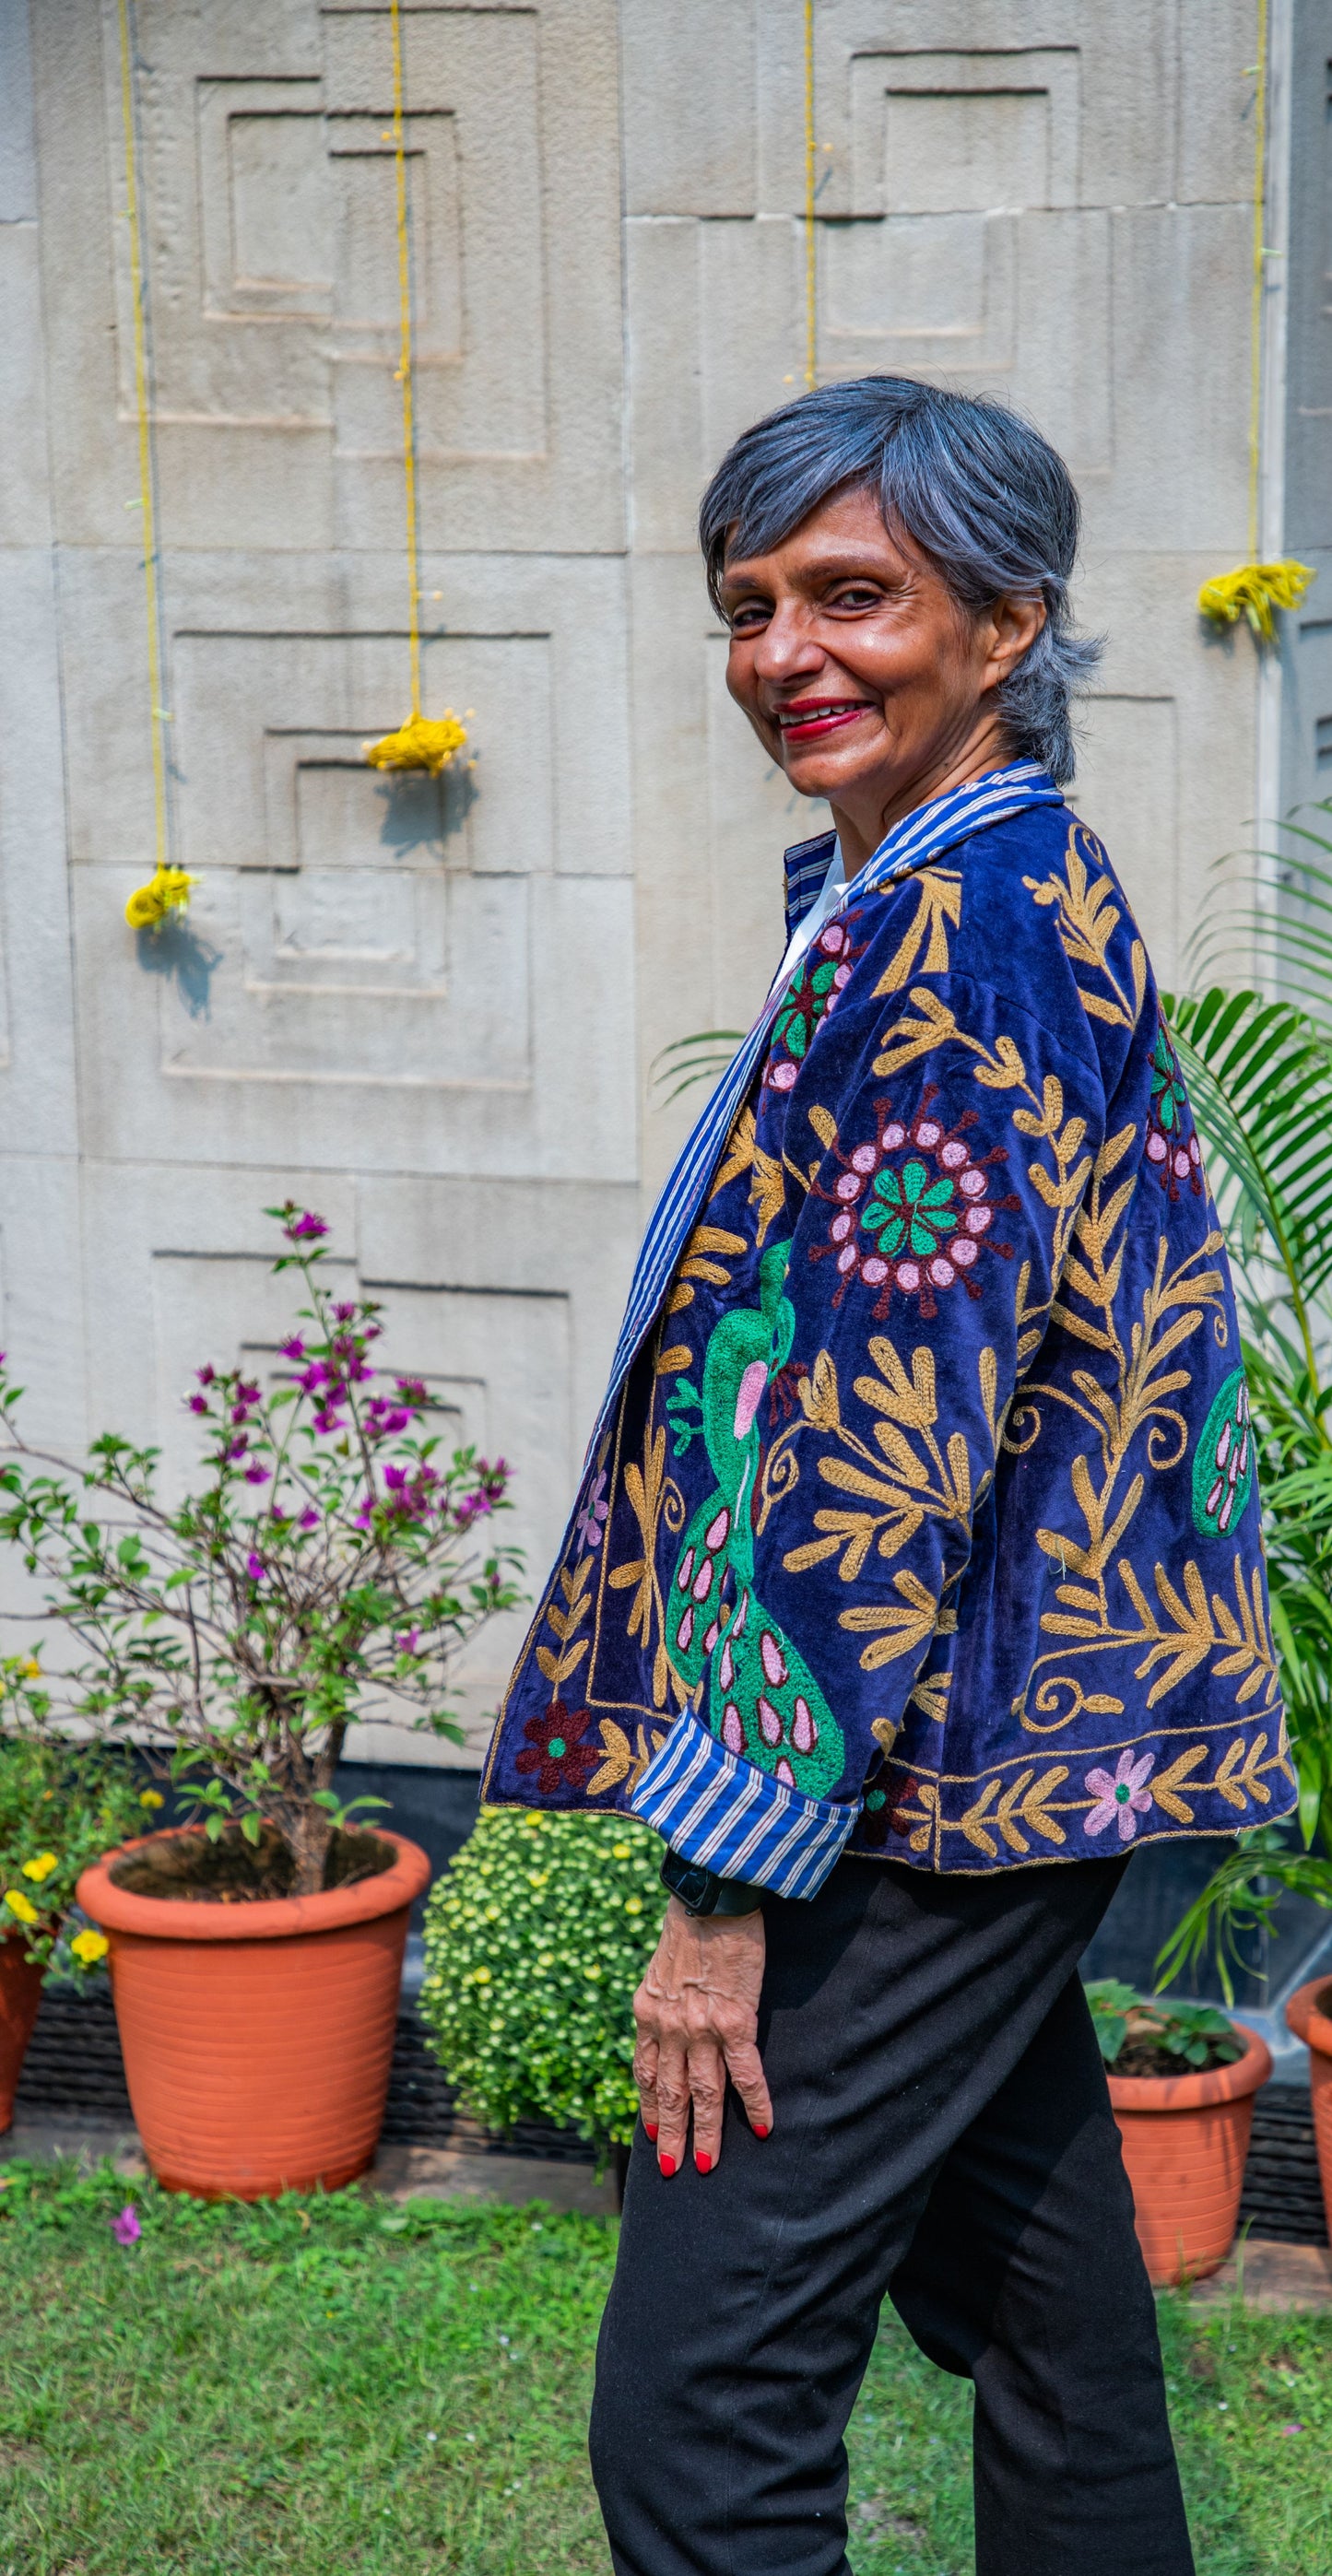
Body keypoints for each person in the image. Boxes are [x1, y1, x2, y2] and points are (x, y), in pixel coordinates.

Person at [483, 375, 1293, 2576]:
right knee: (1048, 2330)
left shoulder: (963, 932)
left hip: (911, 1783)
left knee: (704, 2403)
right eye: (748, 606)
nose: (782, 655)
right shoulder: (932, 895)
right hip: (998, 1759)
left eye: (854, 596)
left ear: (1006, 623)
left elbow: (876, 1439)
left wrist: (724, 1889)